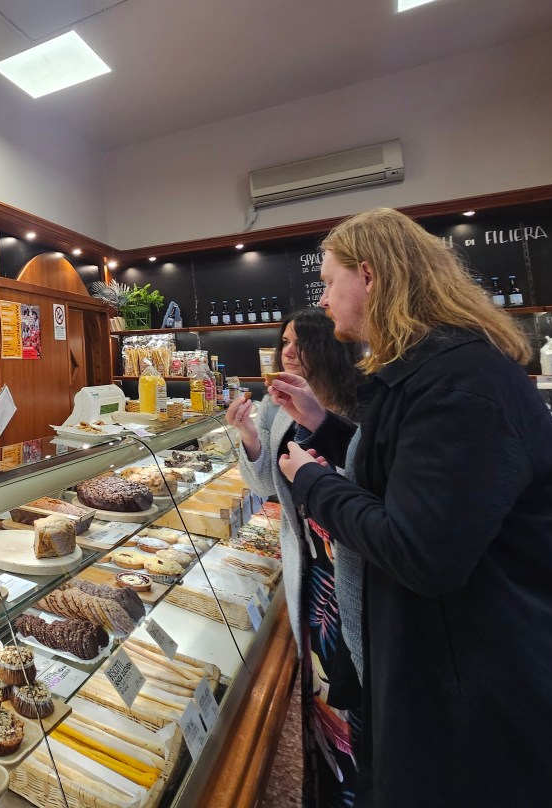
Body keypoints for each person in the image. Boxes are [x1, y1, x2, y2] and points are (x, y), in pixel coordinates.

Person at [272, 207, 552, 807]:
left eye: (327, 277)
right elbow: (405, 477)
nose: (322, 294)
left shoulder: (460, 383)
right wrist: (327, 430)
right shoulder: (432, 372)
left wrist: (314, 483)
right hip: (453, 671)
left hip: (484, 697)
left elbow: (420, 548)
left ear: (368, 276)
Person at [224, 309, 364, 808]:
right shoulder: (276, 405)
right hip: (310, 569)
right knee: (323, 690)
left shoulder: (361, 406)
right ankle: (327, 788)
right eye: (284, 341)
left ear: (328, 347)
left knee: (357, 691)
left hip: (354, 567)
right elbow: (267, 489)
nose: (286, 351)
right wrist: (251, 440)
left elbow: (371, 495)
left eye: (299, 343)